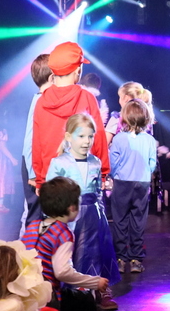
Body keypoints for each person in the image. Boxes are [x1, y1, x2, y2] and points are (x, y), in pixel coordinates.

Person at [22, 177, 117, 311]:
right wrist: (94, 282)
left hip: (27, 295)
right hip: (48, 299)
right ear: (72, 208)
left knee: (77, 299)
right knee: (85, 302)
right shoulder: (63, 233)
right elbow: (62, 271)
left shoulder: (32, 227)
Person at [46, 112, 121, 291]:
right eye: (81, 136)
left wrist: (101, 215)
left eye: (90, 136)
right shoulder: (59, 163)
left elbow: (98, 191)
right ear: (68, 137)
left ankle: (97, 290)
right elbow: (50, 195)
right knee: (71, 252)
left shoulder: (95, 162)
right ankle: (72, 291)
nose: (86, 141)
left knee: (95, 252)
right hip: (70, 217)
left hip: (93, 216)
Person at [31, 42, 109, 189]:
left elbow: (37, 144)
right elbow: (98, 137)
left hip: (51, 177)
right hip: (83, 176)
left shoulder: (41, 101)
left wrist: (40, 181)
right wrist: (103, 173)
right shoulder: (87, 97)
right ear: (78, 70)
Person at [110, 101, 159, 274]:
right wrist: (145, 173)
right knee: (138, 220)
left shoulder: (118, 138)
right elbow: (152, 164)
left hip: (122, 183)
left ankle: (120, 259)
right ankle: (136, 259)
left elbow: (113, 163)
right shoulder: (150, 140)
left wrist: (116, 175)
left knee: (120, 220)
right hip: (141, 183)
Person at [20, 52, 54, 226]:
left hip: (35, 164)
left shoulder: (41, 99)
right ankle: (32, 243)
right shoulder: (41, 101)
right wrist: (34, 174)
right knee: (36, 215)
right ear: (53, 77)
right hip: (33, 164)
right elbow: (30, 140)